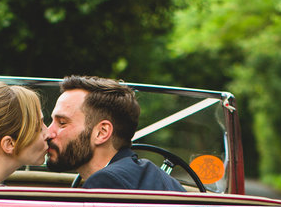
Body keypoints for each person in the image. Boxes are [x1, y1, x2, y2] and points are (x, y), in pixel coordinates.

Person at [45, 75, 186, 192]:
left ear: (102, 132)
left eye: (62, 123)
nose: (48, 133)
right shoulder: (149, 175)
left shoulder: (106, 184)